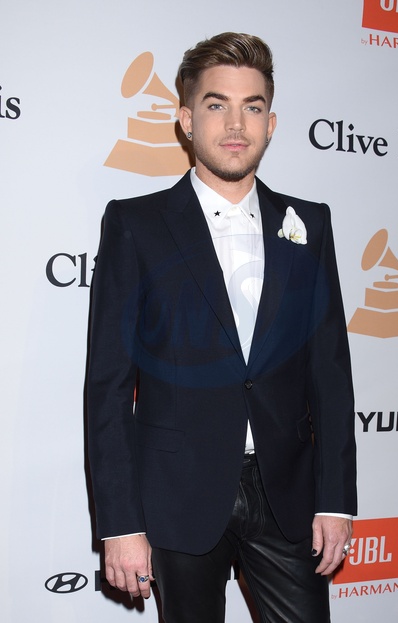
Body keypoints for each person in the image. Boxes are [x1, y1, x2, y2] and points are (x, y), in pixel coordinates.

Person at [87, 32, 357, 623]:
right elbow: (108, 386)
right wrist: (120, 523)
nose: (236, 124)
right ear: (186, 120)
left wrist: (337, 502)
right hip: (177, 493)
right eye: (217, 105)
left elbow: (331, 375)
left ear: (271, 123)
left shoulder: (309, 224)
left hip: (286, 494)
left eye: (252, 107)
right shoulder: (136, 224)